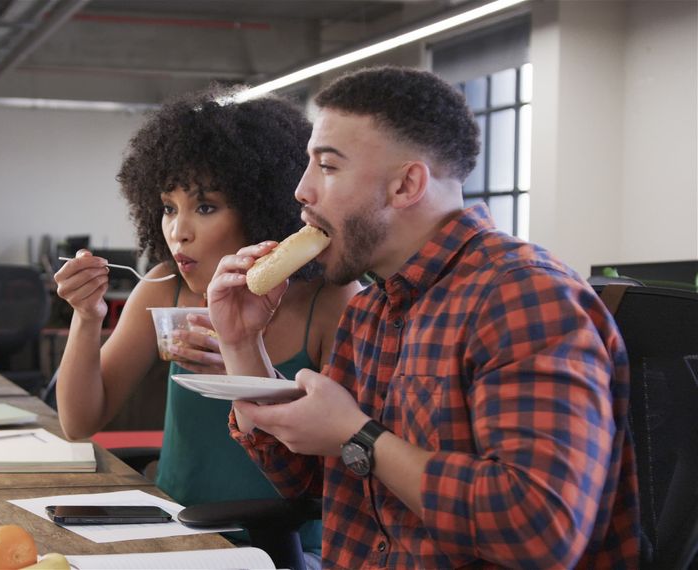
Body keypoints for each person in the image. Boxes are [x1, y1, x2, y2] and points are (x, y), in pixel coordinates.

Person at [208, 66, 640, 569]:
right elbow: (312, 481)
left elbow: (539, 530)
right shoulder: (369, 310)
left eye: (327, 167)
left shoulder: (525, 296)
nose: (302, 191)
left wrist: (359, 435)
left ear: (406, 184)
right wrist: (241, 342)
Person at [53, 87, 362, 560]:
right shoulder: (163, 287)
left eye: (206, 207)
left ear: (262, 208)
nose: (179, 231)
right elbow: (79, 422)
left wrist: (246, 368)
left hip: (289, 549)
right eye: (169, 208)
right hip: (176, 537)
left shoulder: (330, 301)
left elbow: (347, 454)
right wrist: (87, 316)